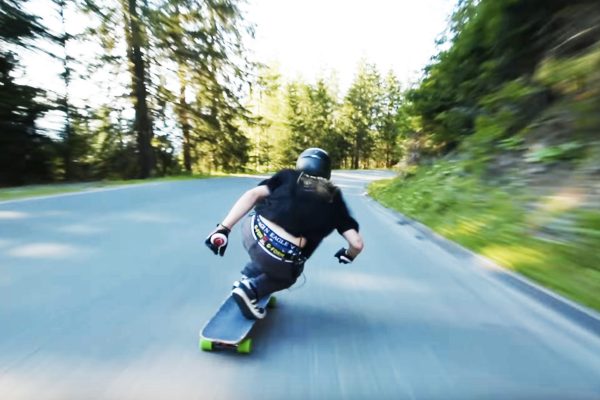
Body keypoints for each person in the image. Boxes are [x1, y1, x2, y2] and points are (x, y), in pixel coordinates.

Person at [205, 148, 363, 319]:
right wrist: (348, 255)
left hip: (251, 232)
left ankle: (249, 276)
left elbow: (252, 195)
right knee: (290, 274)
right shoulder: (334, 197)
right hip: (280, 255)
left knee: (265, 248)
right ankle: (251, 289)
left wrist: (223, 228)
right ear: (327, 172)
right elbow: (356, 243)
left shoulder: (288, 176)